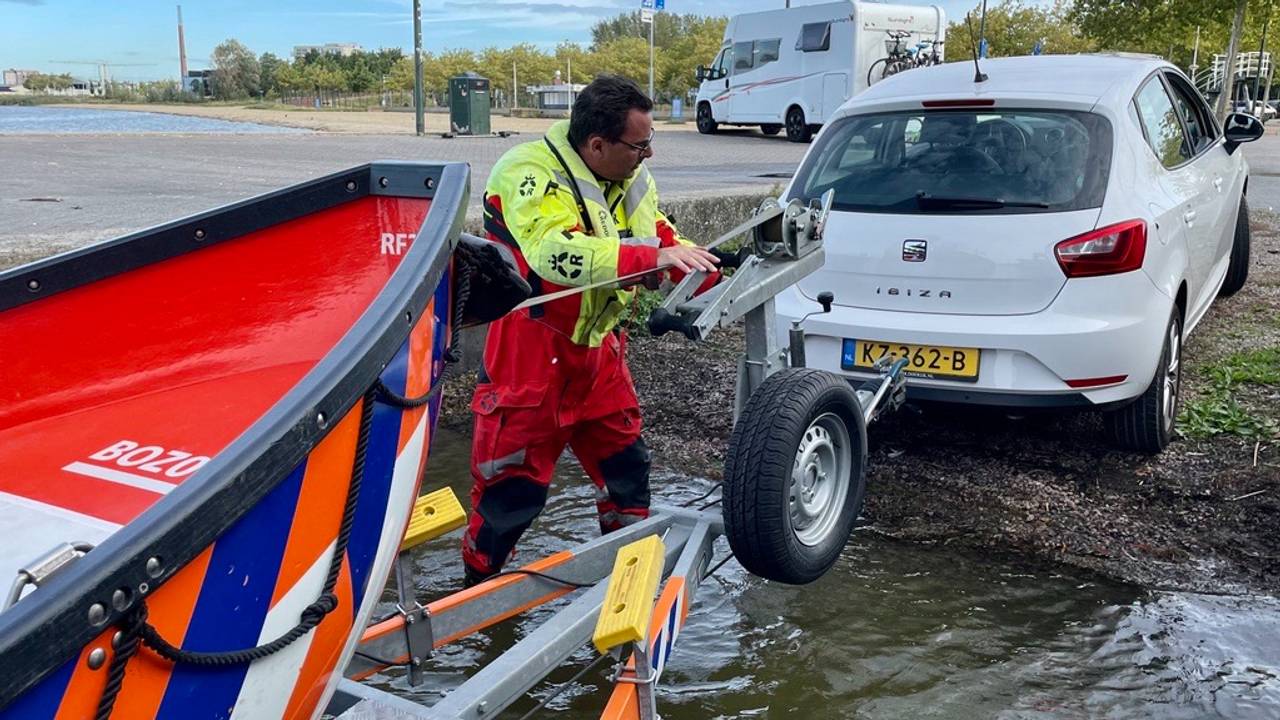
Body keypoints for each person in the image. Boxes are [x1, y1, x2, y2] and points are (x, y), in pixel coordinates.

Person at [462, 75, 720, 585]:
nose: (648, 154)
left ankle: (624, 577)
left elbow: (660, 234)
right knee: (509, 491)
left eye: (650, 141)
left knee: (627, 471)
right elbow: (552, 253)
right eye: (639, 145)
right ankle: (474, 593)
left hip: (600, 352)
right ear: (598, 145)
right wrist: (651, 258)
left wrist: (707, 267)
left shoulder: (631, 176)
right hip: (530, 353)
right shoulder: (526, 171)